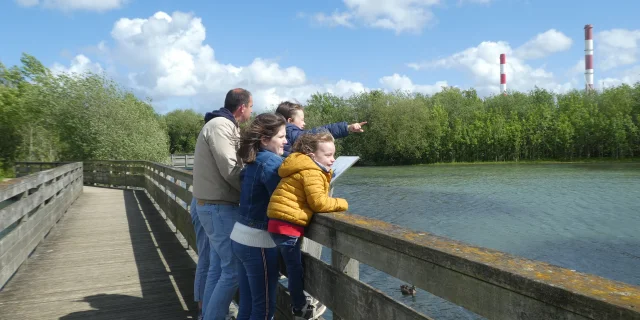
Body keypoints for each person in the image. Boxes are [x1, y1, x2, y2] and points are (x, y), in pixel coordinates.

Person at [266, 131, 348, 320]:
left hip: (277, 223)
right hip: (288, 225)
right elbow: (319, 203)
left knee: (283, 264)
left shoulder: (298, 166)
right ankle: (299, 307)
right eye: (328, 155)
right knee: (295, 268)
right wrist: (342, 203)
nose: (333, 159)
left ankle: (282, 300)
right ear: (312, 156)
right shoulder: (312, 171)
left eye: (334, 154)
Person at [192, 88, 253, 320]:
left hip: (215, 206)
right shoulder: (220, 126)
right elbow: (230, 169)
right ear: (242, 107)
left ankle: (208, 314)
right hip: (218, 207)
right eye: (251, 106)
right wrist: (253, 192)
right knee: (234, 269)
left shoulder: (224, 125)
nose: (252, 110)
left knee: (219, 266)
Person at [229, 113, 287, 320]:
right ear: (265, 139)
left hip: (240, 236)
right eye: (281, 137)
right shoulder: (271, 161)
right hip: (258, 242)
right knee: (263, 309)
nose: (286, 141)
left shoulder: (253, 160)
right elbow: (283, 200)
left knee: (247, 304)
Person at [274, 101, 367, 156]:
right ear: (290, 121)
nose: (304, 123)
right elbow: (314, 133)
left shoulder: (276, 131)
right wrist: (347, 127)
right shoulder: (290, 130)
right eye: (302, 120)